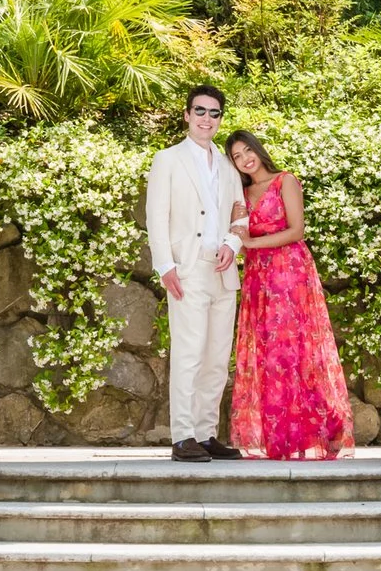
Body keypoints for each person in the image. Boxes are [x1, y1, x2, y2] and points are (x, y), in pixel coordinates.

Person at [224, 129, 355, 461]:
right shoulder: (240, 192)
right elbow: (235, 231)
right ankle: (279, 438)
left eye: (247, 151)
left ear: (258, 149)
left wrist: (251, 244)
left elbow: (297, 230)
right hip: (258, 279)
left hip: (289, 272)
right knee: (268, 355)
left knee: (294, 352)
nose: (245, 159)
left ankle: (322, 430)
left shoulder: (286, 181)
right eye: (236, 157)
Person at [145, 84, 247, 463]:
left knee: (217, 357)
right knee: (188, 353)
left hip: (222, 271)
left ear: (220, 119)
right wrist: (165, 266)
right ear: (187, 115)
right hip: (186, 270)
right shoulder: (167, 160)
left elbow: (240, 211)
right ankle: (182, 436)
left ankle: (206, 434)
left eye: (214, 113)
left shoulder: (226, 165)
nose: (207, 118)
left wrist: (232, 245)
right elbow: (156, 216)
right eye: (200, 111)